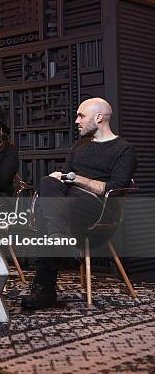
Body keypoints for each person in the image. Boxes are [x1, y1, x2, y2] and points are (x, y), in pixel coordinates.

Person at [22, 97, 137, 310]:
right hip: (67, 206)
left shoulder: (124, 149)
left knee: (51, 212)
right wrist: (62, 178)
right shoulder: (79, 145)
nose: (76, 121)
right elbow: (64, 177)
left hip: (97, 209)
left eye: (81, 116)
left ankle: (44, 288)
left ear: (99, 117)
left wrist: (75, 178)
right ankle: (60, 244)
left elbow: (110, 188)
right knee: (48, 182)